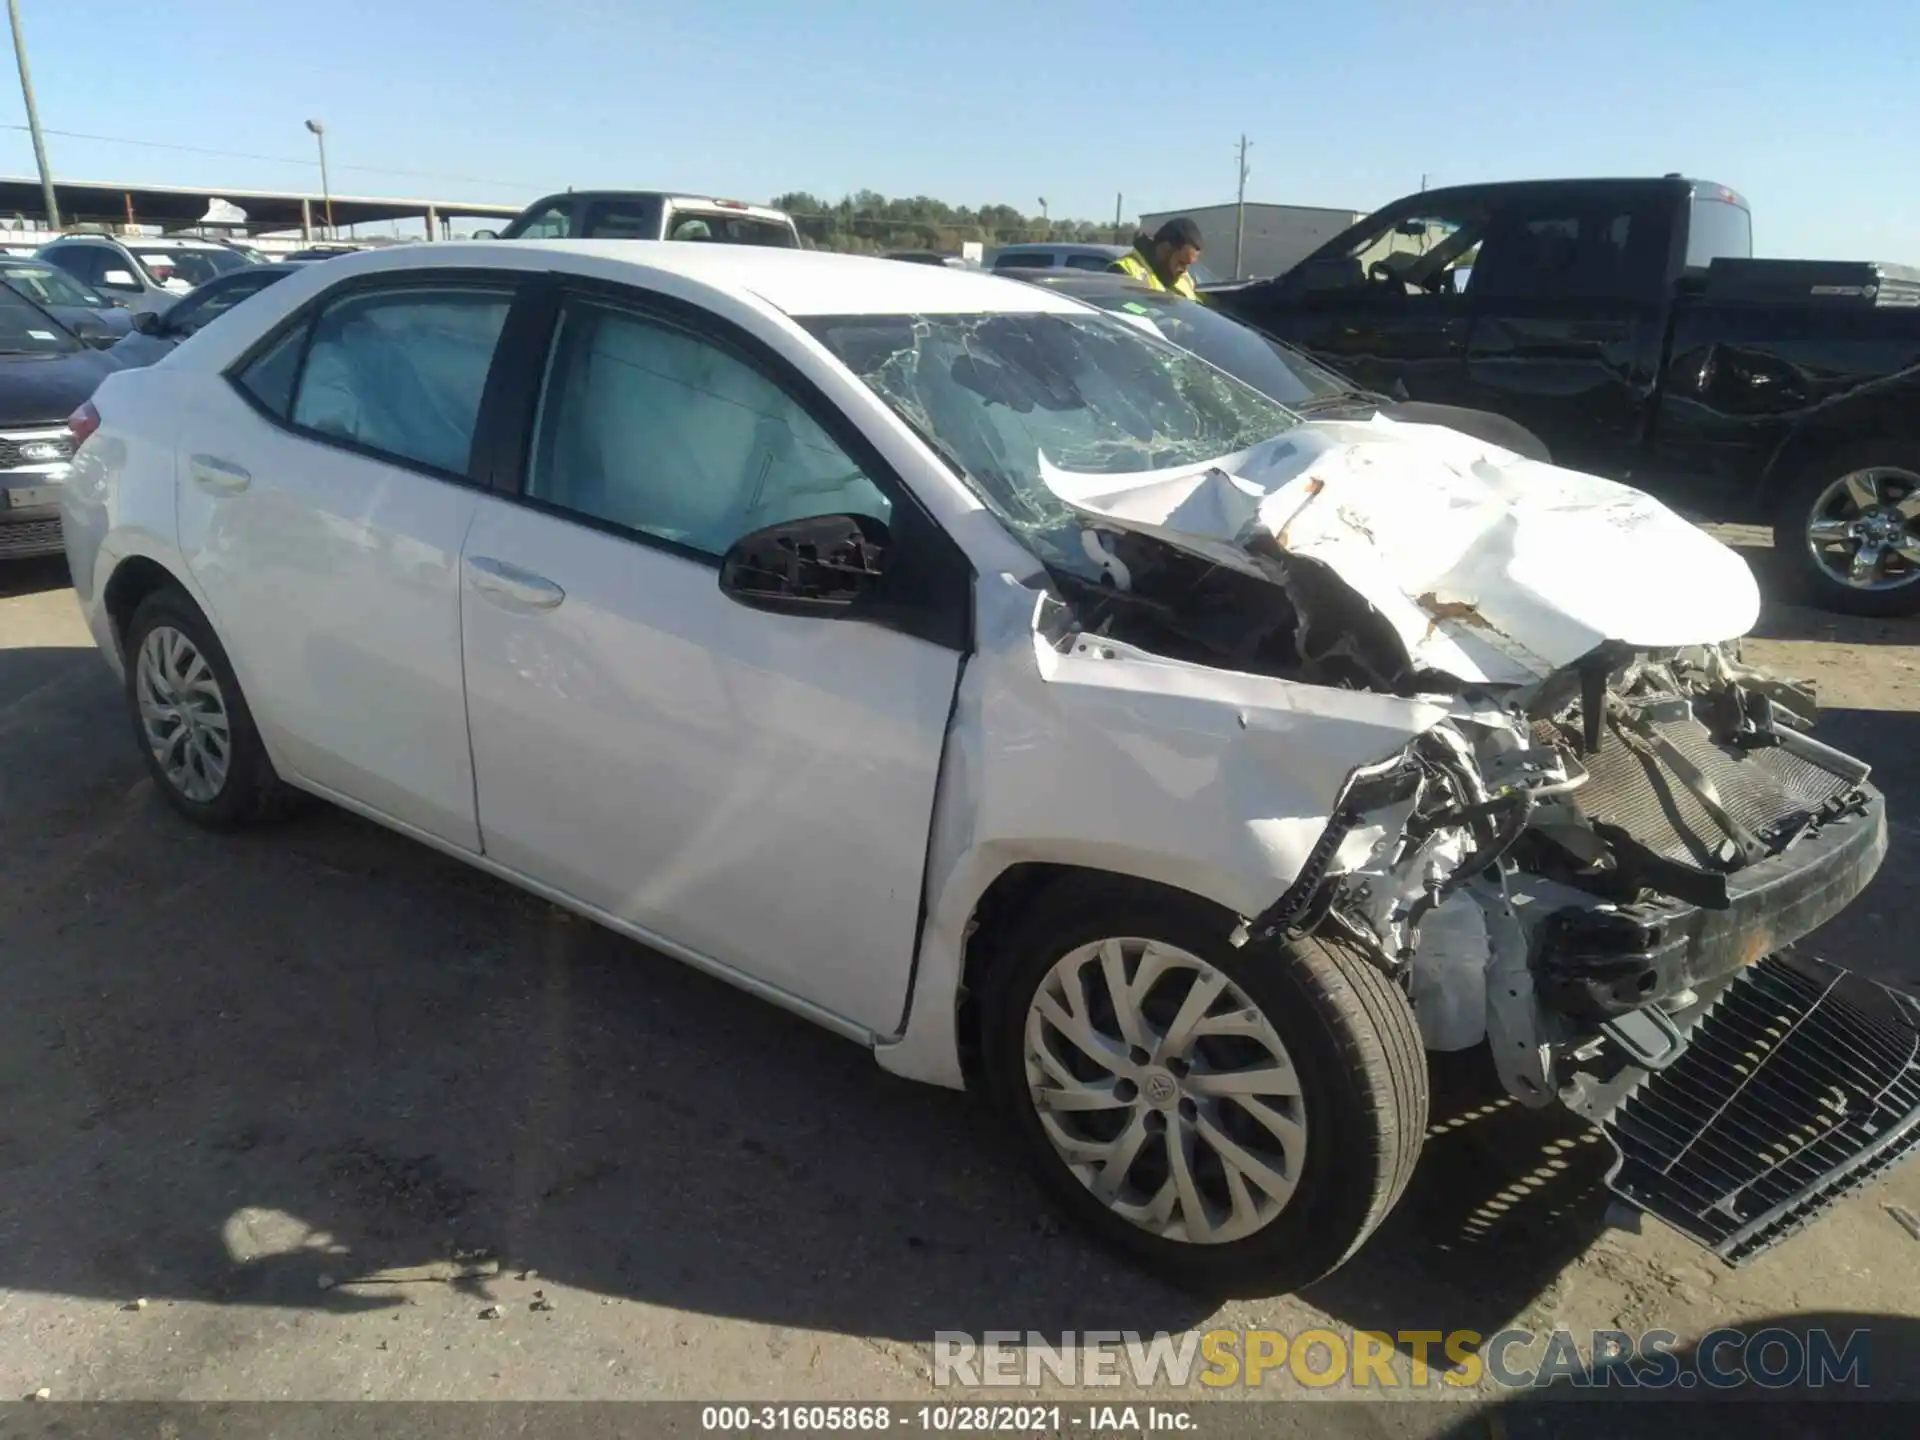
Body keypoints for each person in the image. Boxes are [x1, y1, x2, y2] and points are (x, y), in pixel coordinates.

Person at [1112, 217, 1205, 300]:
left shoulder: (1184, 279)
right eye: (1181, 263)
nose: (1184, 270)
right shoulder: (1124, 272)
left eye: (1188, 265)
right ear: (1164, 249)